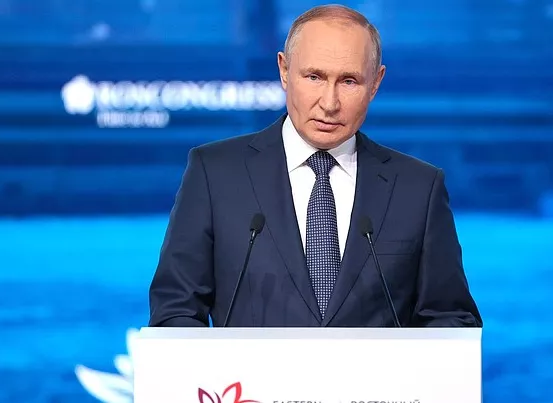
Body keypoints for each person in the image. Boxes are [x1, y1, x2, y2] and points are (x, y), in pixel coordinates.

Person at [148, 4, 482, 327]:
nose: (329, 103)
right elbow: (175, 310)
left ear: (376, 83)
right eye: (314, 77)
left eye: (349, 81)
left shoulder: (418, 188)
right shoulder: (215, 173)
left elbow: (450, 318)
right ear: (284, 70)